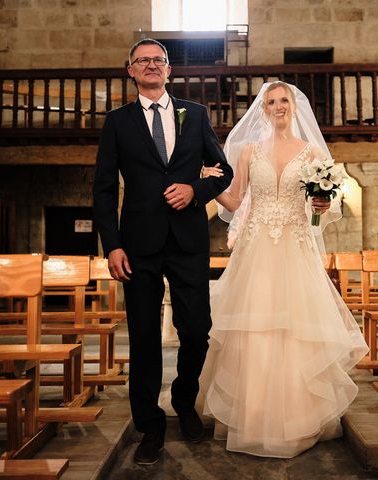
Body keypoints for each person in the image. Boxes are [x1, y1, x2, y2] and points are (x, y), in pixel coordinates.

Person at [198, 81, 369, 458]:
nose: (278, 106)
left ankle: (297, 419)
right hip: (256, 250)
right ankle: (253, 416)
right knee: (253, 329)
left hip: (295, 248)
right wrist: (209, 184)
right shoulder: (247, 151)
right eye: (271, 101)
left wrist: (323, 205)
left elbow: (320, 204)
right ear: (263, 109)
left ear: (294, 107)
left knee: (295, 329)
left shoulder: (310, 153)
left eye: (284, 101)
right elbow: (236, 199)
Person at [92, 38, 233, 465]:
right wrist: (111, 245)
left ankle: (184, 401)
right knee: (145, 339)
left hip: (188, 242)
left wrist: (196, 190)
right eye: (143, 61)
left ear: (169, 70)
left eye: (159, 60)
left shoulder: (197, 115)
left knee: (196, 330)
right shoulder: (118, 121)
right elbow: (102, 189)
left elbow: (223, 170)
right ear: (130, 70)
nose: (151, 66)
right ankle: (149, 425)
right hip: (138, 245)